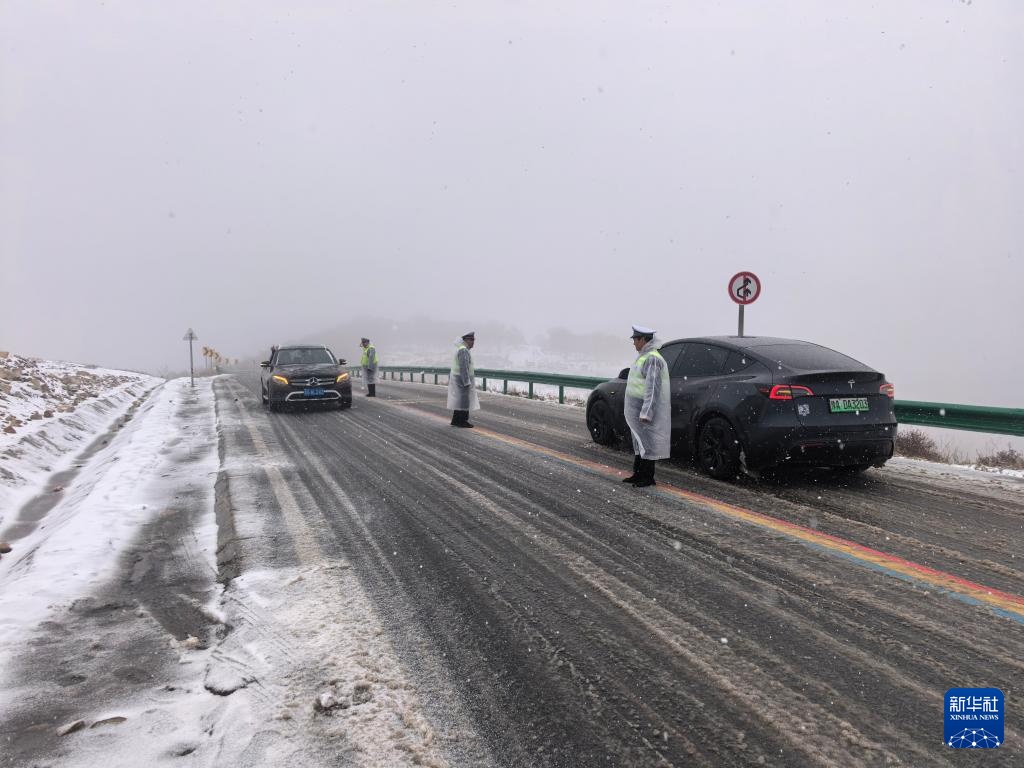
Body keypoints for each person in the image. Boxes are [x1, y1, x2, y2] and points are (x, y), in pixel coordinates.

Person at [622, 325, 671, 487]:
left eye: (635, 339)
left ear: (643, 339)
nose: (633, 343)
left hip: (645, 409)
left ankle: (647, 477)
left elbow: (653, 388)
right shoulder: (643, 356)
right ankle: (638, 474)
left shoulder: (652, 359)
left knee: (648, 444)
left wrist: (647, 412)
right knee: (640, 443)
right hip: (637, 408)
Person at [447, 331, 479, 427]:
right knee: (464, 401)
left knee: (459, 400)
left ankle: (456, 420)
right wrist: (466, 382)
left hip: (458, 379)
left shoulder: (461, 349)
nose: (473, 342)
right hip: (462, 380)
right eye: (472, 340)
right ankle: (462, 421)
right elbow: (464, 367)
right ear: (466, 340)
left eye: (474, 340)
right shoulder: (463, 350)